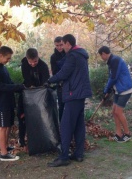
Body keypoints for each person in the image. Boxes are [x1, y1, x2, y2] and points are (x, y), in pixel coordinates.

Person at [47, 34, 92, 167]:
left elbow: (64, 73)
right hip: (80, 94)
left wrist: (49, 80)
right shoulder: (80, 54)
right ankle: (78, 154)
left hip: (74, 94)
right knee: (78, 125)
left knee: (66, 125)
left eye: (63, 44)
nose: (62, 47)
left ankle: (64, 156)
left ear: (67, 43)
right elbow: (64, 66)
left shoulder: (73, 55)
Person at [0, 46, 25, 161]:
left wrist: (21, 88)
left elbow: (9, 83)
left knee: (8, 125)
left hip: (9, 102)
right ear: (0, 56)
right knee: (2, 127)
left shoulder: (3, 68)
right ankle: (3, 154)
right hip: (1, 103)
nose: (8, 60)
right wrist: (16, 87)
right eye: (7, 58)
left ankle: (6, 146)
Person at [98, 46, 132, 143]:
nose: (101, 58)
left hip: (125, 89)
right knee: (114, 111)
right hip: (118, 90)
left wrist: (106, 90)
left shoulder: (115, 60)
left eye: (101, 56)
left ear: (104, 54)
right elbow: (112, 76)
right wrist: (109, 90)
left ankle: (127, 133)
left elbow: (113, 77)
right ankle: (118, 134)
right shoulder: (111, 61)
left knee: (118, 112)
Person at [17, 48, 50, 147]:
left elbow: (45, 81)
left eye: (35, 61)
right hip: (27, 94)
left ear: (38, 57)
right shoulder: (24, 65)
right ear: (27, 59)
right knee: (22, 117)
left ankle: (40, 138)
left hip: (40, 95)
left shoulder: (43, 66)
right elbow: (27, 79)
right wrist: (31, 87)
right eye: (30, 62)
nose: (33, 64)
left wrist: (40, 89)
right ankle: (21, 139)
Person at [50, 36, 66, 121]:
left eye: (61, 45)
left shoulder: (68, 53)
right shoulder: (53, 57)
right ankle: (62, 126)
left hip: (70, 83)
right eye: (57, 45)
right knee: (61, 105)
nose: (59, 47)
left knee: (69, 106)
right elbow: (54, 72)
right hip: (60, 84)